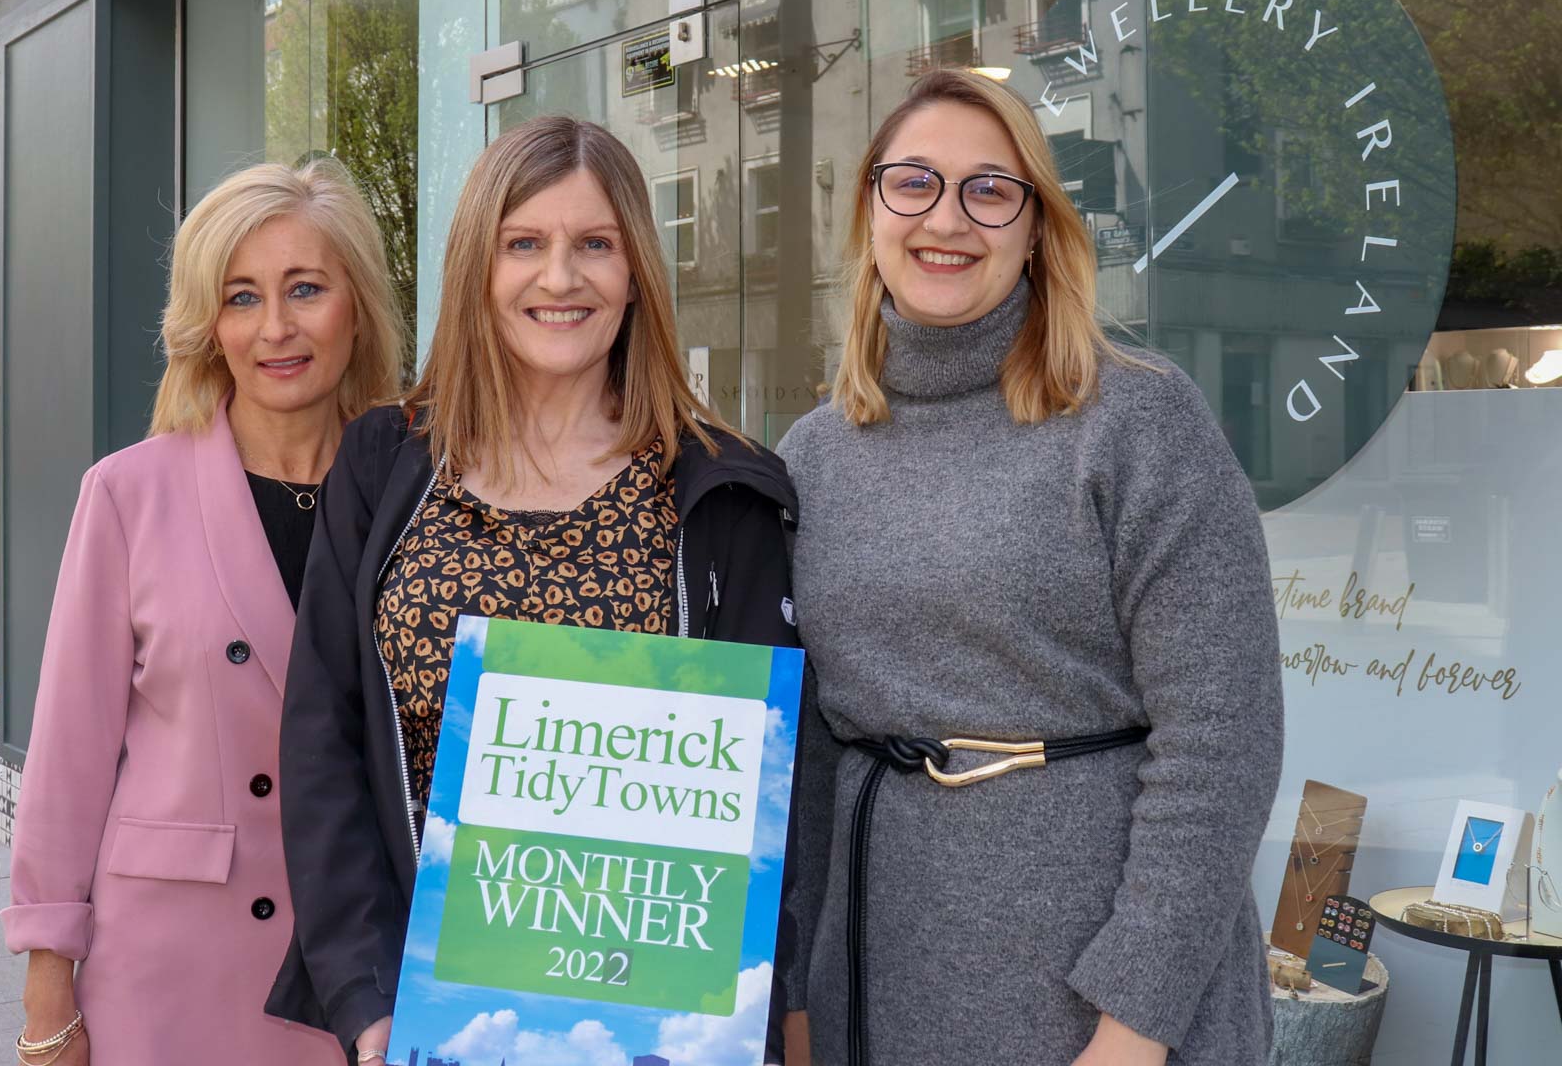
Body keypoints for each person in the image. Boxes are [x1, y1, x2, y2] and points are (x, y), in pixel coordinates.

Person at [266, 116, 801, 1062]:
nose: (561, 278)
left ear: (636, 270)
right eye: (525, 244)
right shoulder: (386, 463)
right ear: (480, 266)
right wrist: (364, 999)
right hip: (430, 1018)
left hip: (651, 1023)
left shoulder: (722, 493)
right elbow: (323, 742)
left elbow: (774, 790)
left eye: (595, 243)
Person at [777, 70, 1283, 1065]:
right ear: (870, 210)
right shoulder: (809, 457)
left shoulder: (1137, 422)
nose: (948, 218)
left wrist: (1133, 1026)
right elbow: (804, 759)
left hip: (1106, 1007)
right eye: (913, 182)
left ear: (1037, 226)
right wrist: (792, 997)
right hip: (874, 990)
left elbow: (1223, 737)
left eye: (989, 188)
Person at [2, 161, 403, 1065]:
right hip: (170, 966)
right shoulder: (128, 493)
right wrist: (46, 986)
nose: (277, 328)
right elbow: (69, 756)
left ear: (358, 306)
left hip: (366, 964)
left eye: (306, 289)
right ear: (208, 325)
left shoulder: (418, 494)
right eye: (241, 298)